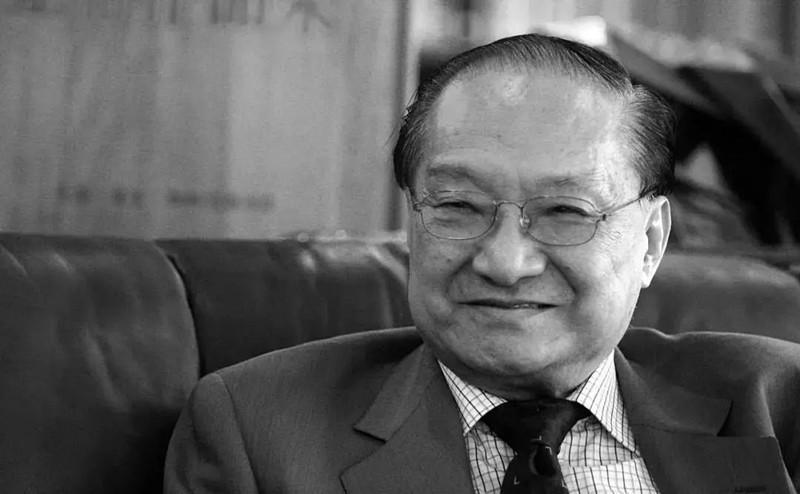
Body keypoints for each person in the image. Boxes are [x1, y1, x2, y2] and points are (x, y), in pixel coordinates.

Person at [163, 34, 800, 493]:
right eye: (458, 206)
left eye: (566, 211)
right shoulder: (258, 434)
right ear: (412, 219)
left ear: (652, 242)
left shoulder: (776, 405)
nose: (505, 262)